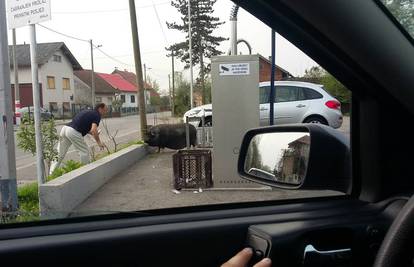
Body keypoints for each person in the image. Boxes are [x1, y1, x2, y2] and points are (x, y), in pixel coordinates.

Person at [49, 103, 107, 174]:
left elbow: (83, 125)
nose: (105, 112)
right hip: (73, 132)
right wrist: (99, 143)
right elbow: (94, 130)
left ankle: (51, 174)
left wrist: (92, 133)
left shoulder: (88, 111)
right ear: (100, 109)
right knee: (84, 152)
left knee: (59, 153)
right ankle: (85, 172)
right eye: (105, 110)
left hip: (65, 129)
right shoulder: (97, 115)